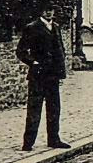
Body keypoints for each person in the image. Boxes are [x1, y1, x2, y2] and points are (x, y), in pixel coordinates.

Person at [16, 10, 70, 150]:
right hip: (38, 75)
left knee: (54, 108)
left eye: (51, 10)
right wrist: (32, 62)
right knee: (34, 108)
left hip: (53, 75)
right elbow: (21, 51)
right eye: (46, 10)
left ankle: (54, 139)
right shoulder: (32, 27)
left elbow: (60, 50)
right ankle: (28, 142)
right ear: (41, 11)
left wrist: (60, 71)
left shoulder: (56, 27)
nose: (49, 13)